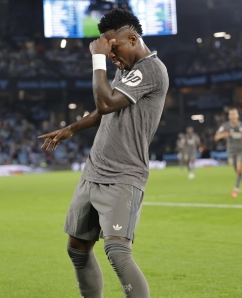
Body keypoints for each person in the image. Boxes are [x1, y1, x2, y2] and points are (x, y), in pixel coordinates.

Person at [38, 8, 168, 298]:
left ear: (132, 39)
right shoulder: (127, 69)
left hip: (123, 175)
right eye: (107, 50)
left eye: (113, 47)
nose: (110, 54)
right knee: (78, 250)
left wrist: (97, 59)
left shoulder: (151, 69)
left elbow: (107, 102)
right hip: (93, 172)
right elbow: (104, 110)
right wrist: (71, 128)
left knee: (117, 252)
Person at [215, 108, 242, 198]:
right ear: (229, 116)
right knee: (237, 170)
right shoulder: (225, 126)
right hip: (231, 151)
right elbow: (216, 137)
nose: (233, 116)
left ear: (238, 115)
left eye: (235, 114)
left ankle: (236, 189)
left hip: (241, 150)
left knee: (239, 169)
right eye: (231, 114)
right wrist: (223, 135)